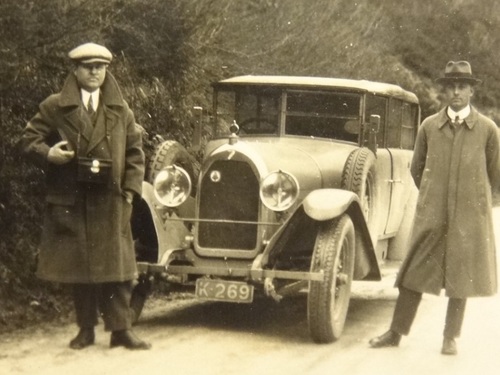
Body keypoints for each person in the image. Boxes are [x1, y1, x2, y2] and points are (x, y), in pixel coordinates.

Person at [19, 42, 151, 350]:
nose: (95, 72)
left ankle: (121, 330)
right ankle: (86, 330)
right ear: (75, 70)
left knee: (117, 270)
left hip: (112, 200)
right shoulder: (55, 105)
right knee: (80, 269)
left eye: (100, 67)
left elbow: (135, 154)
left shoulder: (121, 109)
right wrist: (48, 153)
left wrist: (130, 192)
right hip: (73, 199)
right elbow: (27, 140)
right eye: (88, 67)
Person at [369, 61, 500, 355]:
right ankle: (395, 333)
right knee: (413, 273)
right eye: (451, 87)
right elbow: (417, 169)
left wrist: (478, 206)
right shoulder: (429, 127)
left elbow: (497, 176)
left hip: (469, 217)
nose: (456, 93)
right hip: (432, 214)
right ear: (444, 91)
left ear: (471, 91)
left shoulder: (488, 130)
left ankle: (450, 337)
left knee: (461, 277)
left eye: (462, 87)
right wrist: (433, 198)